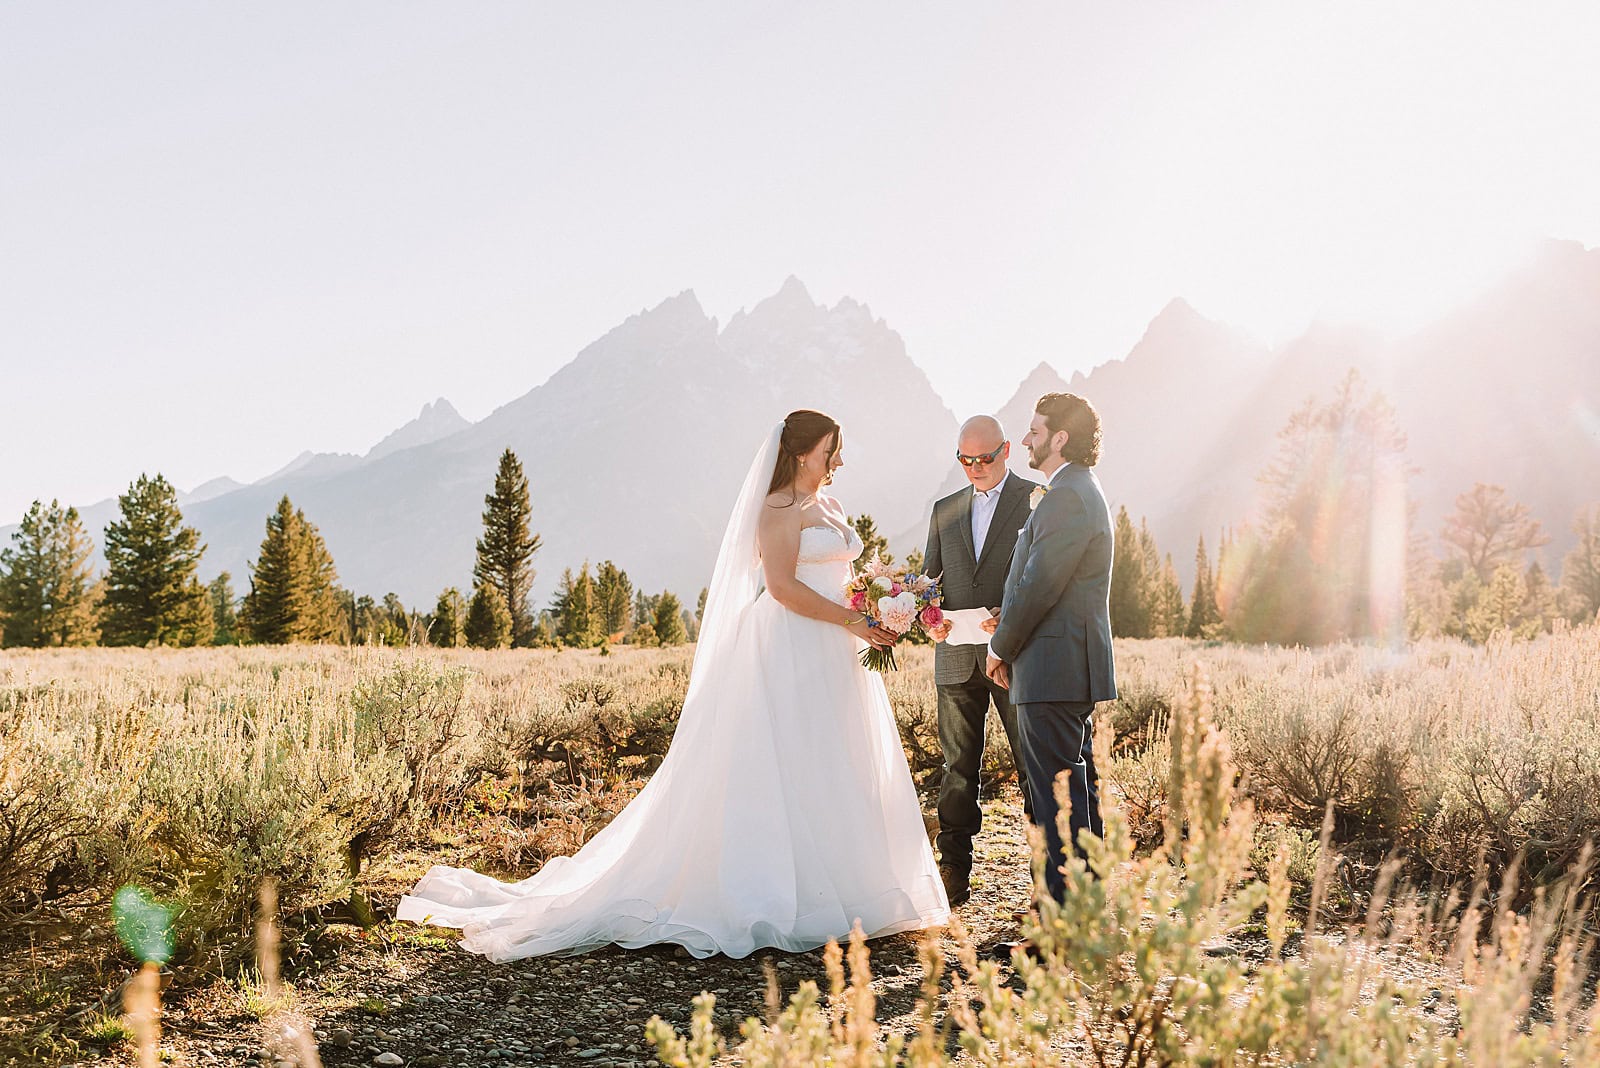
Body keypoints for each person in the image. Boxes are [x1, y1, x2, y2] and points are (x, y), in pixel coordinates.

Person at [396, 410, 949, 959]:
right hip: (794, 642)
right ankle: (786, 896)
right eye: (832, 449)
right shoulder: (776, 509)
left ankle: (854, 889)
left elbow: (839, 575)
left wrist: (879, 601)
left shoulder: (829, 502)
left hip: (840, 649)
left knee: (841, 756)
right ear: (804, 452)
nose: (839, 460)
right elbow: (781, 588)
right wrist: (852, 619)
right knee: (788, 756)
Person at [985, 392, 1116, 909]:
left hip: (1052, 667)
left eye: (1034, 432)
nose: (1025, 441)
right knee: (1074, 795)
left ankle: (1060, 919)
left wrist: (1001, 644)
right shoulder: (1074, 491)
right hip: (1060, 664)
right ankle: (1079, 908)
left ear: (1060, 437)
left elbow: (1040, 584)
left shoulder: (1067, 496)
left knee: (1056, 798)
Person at [922, 415, 1034, 906]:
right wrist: (931, 619)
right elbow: (929, 582)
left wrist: (1008, 616)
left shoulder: (1036, 499)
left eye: (984, 459)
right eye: (965, 460)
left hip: (1013, 656)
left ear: (1006, 450)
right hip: (954, 659)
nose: (975, 468)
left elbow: (1043, 575)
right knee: (957, 769)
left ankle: (1046, 879)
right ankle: (953, 872)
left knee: (1032, 767)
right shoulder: (944, 509)